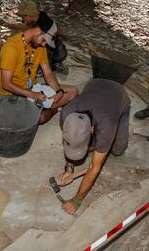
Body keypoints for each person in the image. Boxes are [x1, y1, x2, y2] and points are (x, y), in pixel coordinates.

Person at [58, 79, 130, 214]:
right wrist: (69, 170)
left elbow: (94, 168)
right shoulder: (66, 113)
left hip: (119, 93)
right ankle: (94, 145)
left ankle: (103, 144)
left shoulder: (106, 124)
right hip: (94, 84)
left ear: (92, 128)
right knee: (87, 145)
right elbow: (70, 141)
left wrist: (76, 200)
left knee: (118, 150)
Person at [0, 20, 78, 124]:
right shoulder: (11, 48)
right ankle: (53, 109)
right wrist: (33, 95)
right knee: (40, 118)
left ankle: (43, 107)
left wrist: (58, 91)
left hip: (35, 88)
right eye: (44, 40)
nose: (44, 44)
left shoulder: (40, 46)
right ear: (38, 31)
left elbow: (48, 73)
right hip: (15, 94)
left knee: (74, 91)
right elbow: (6, 84)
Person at [17, 0, 68, 76]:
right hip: (56, 47)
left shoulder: (41, 29)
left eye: (23, 17)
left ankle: (48, 68)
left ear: (28, 15)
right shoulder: (40, 15)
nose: (22, 19)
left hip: (53, 52)